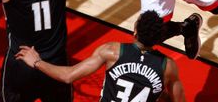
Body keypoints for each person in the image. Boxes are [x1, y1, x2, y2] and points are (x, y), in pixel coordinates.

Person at [16, 10, 186, 102]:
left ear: (135, 31)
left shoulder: (112, 51)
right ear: (158, 39)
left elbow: (68, 76)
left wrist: (37, 62)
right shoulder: (168, 66)